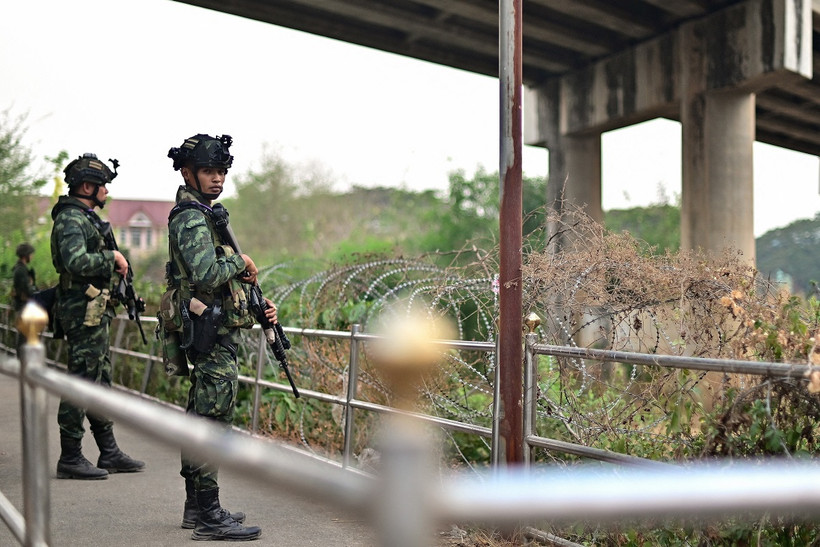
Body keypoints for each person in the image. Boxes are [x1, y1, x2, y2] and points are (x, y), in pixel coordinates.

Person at [166, 134, 276, 541]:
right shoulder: (192, 216)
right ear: (187, 172)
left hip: (215, 329)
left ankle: (197, 507)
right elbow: (206, 275)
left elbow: (220, 285)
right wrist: (239, 260)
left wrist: (256, 305)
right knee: (213, 420)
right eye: (209, 171)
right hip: (209, 336)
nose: (217, 179)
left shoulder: (205, 214)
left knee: (200, 416)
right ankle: (209, 515)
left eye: (222, 171)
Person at [50, 153, 145, 480]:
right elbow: (75, 261)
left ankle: (108, 451)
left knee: (99, 378)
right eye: (103, 186)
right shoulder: (71, 220)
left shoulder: (85, 217)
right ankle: (71, 456)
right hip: (82, 310)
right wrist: (112, 257)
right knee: (81, 379)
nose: (106, 192)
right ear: (88, 186)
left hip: (94, 310)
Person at [12, 242, 36, 312]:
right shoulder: (20, 270)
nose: (32, 256)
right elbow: (26, 290)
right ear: (26, 255)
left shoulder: (21, 268)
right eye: (31, 254)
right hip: (23, 307)